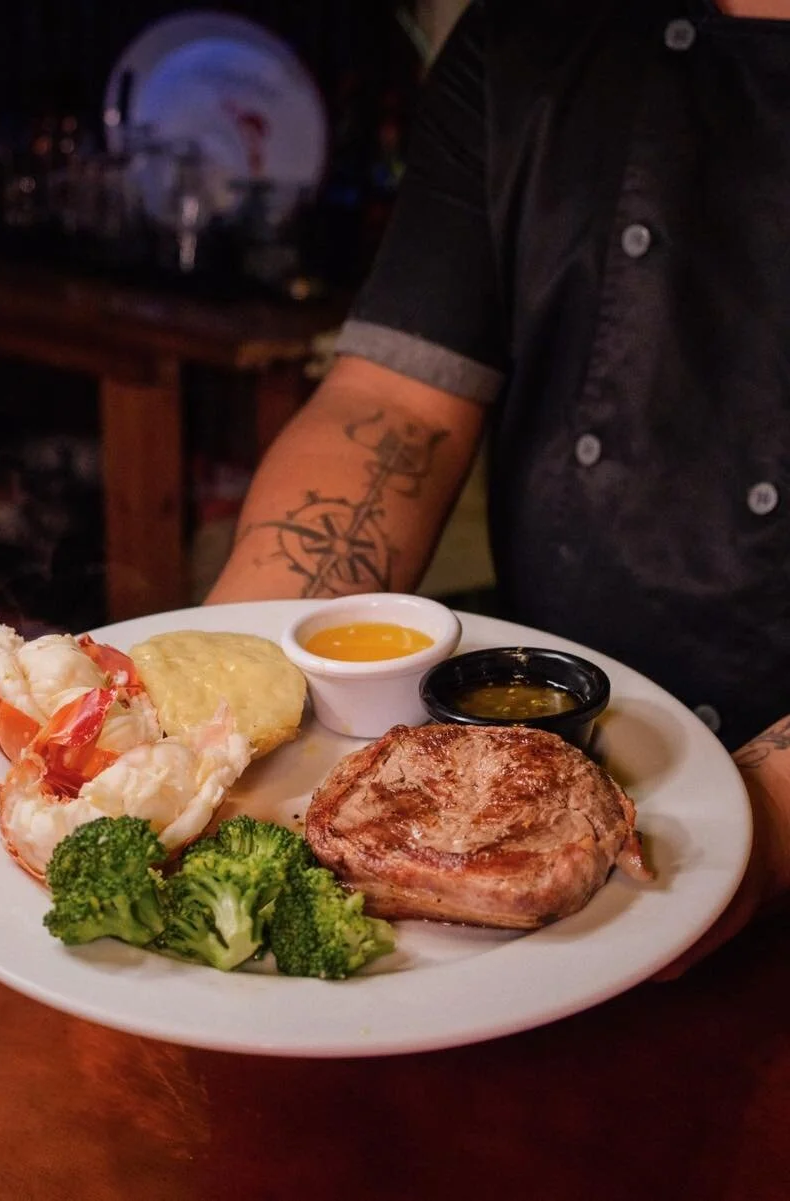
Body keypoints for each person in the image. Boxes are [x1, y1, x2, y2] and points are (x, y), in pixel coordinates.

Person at [206, 0, 790, 974]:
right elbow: (398, 409)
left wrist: (751, 835)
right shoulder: (526, 30)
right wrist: (228, 700)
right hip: (512, 782)